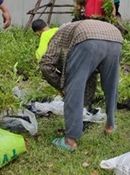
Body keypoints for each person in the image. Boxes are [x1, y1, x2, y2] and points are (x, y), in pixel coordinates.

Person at [40, 20, 123, 151]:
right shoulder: (73, 32)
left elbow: (46, 64)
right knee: (111, 86)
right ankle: (110, 127)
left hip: (88, 39)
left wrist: (61, 86)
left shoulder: (58, 36)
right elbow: (91, 74)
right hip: (115, 38)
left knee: (74, 89)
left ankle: (70, 141)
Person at [33, 19, 98, 111]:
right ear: (47, 24)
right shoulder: (59, 29)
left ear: (38, 33)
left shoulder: (44, 35)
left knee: (62, 78)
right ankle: (86, 106)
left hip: (66, 61)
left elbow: (41, 54)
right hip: (83, 55)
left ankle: (72, 102)